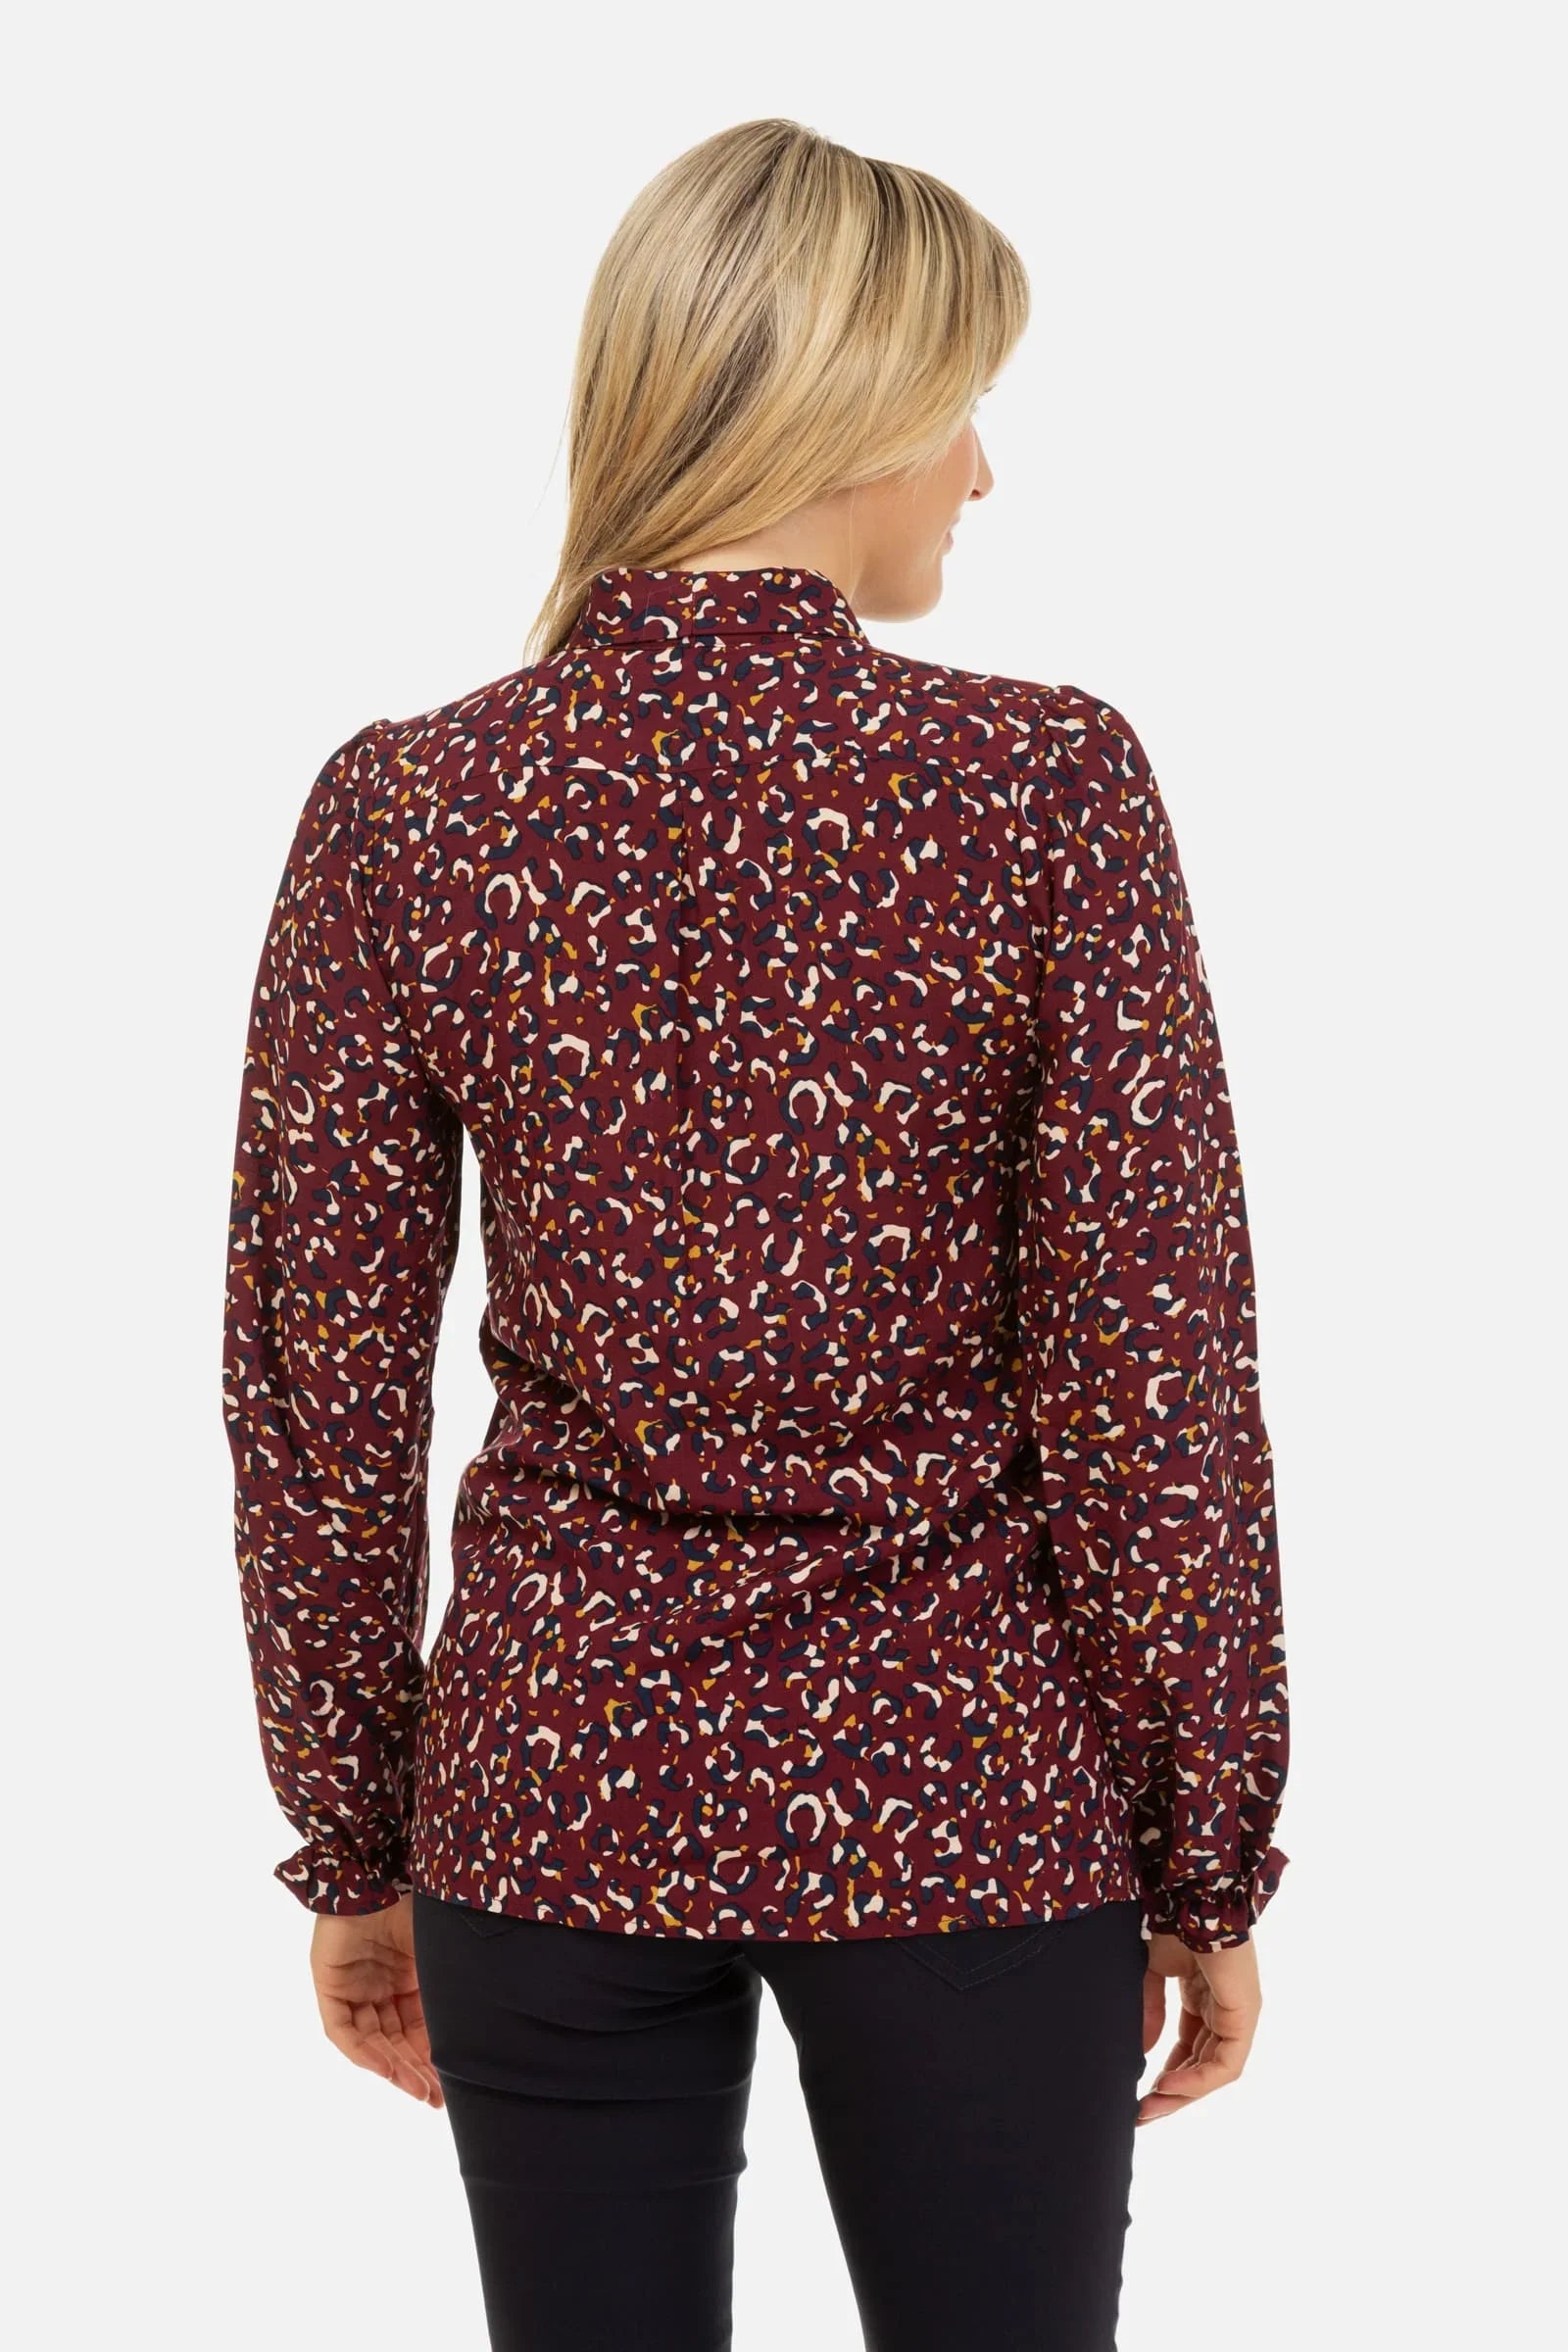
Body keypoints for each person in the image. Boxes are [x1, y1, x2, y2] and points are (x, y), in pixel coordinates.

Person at [221, 116, 1291, 2352]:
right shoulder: (1040, 790)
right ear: (855, 408)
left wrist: (355, 1832)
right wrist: (1205, 1845)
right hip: (970, 1797)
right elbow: (1151, 1374)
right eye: (964, 405)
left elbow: (314, 1390)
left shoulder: (411, 805)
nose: (980, 472)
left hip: (550, 1792)